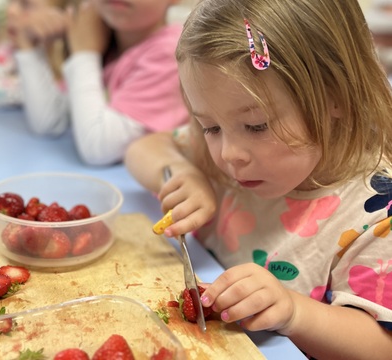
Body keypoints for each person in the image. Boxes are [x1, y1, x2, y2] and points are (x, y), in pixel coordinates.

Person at [124, 0, 392, 358]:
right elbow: (144, 147)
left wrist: (295, 312)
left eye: (257, 126)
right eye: (210, 127)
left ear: (335, 96)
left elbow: (381, 344)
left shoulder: (376, 213)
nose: (229, 154)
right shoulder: (219, 153)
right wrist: (181, 172)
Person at [8, 0, 189, 166]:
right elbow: (50, 122)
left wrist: (84, 54)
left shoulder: (172, 52)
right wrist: (28, 47)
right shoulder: (105, 40)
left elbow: (97, 149)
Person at [0, 0, 68, 109]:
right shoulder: (7, 51)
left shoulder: (71, 58)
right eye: (10, 2)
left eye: (25, 5)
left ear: (59, 17)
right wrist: (38, 90)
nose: (11, 11)